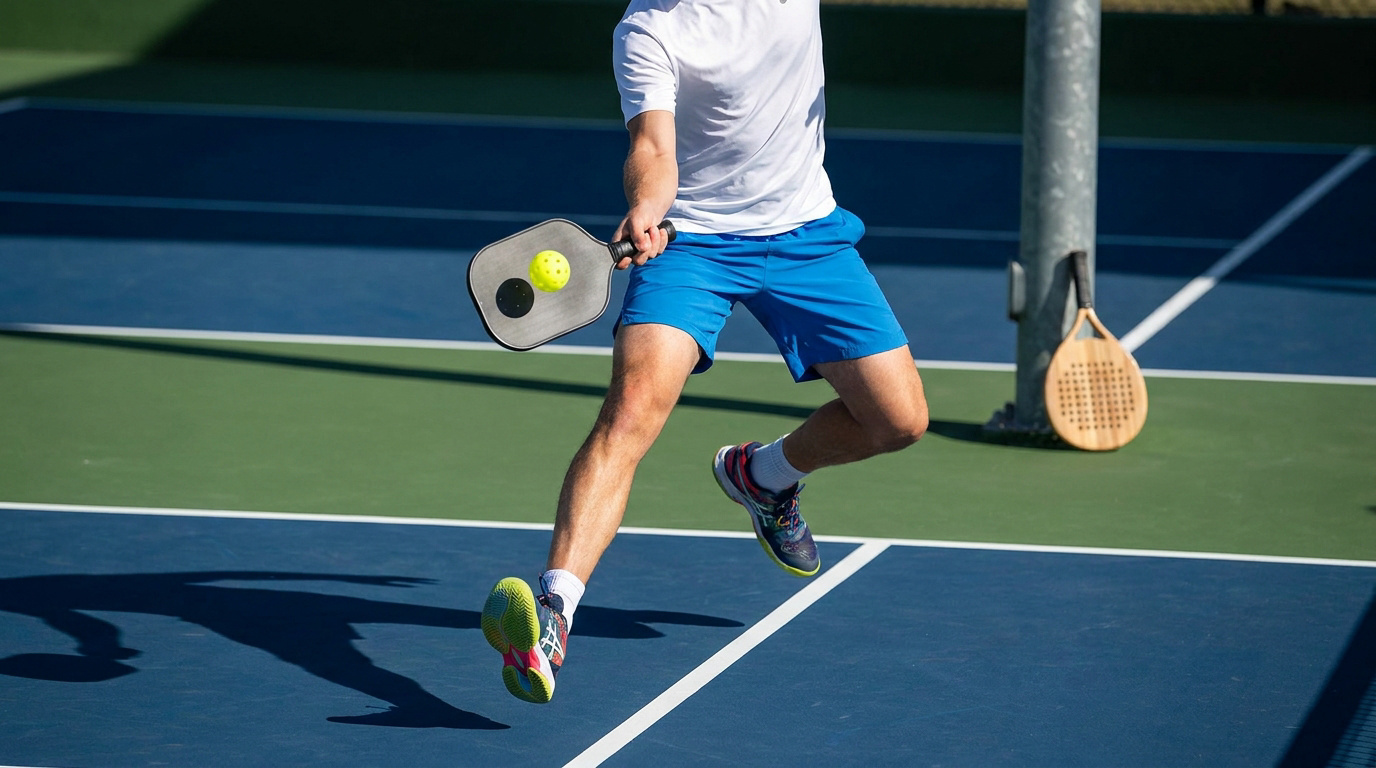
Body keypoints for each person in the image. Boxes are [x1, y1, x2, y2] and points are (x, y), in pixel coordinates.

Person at [480, 0, 929, 704]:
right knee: (629, 412)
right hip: (693, 244)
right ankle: (553, 618)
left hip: (805, 236)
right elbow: (654, 147)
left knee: (897, 420)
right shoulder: (649, 28)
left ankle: (766, 476)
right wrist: (648, 209)